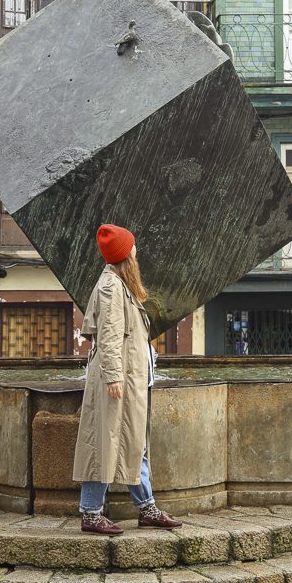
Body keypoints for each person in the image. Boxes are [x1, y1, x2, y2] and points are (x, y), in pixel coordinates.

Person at [72, 224, 182, 535]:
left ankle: (146, 508)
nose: (137, 251)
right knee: (104, 444)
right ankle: (91, 514)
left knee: (135, 444)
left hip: (132, 380)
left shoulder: (120, 284)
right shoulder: (111, 287)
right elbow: (107, 337)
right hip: (118, 381)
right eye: (132, 248)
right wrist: (112, 378)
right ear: (125, 255)